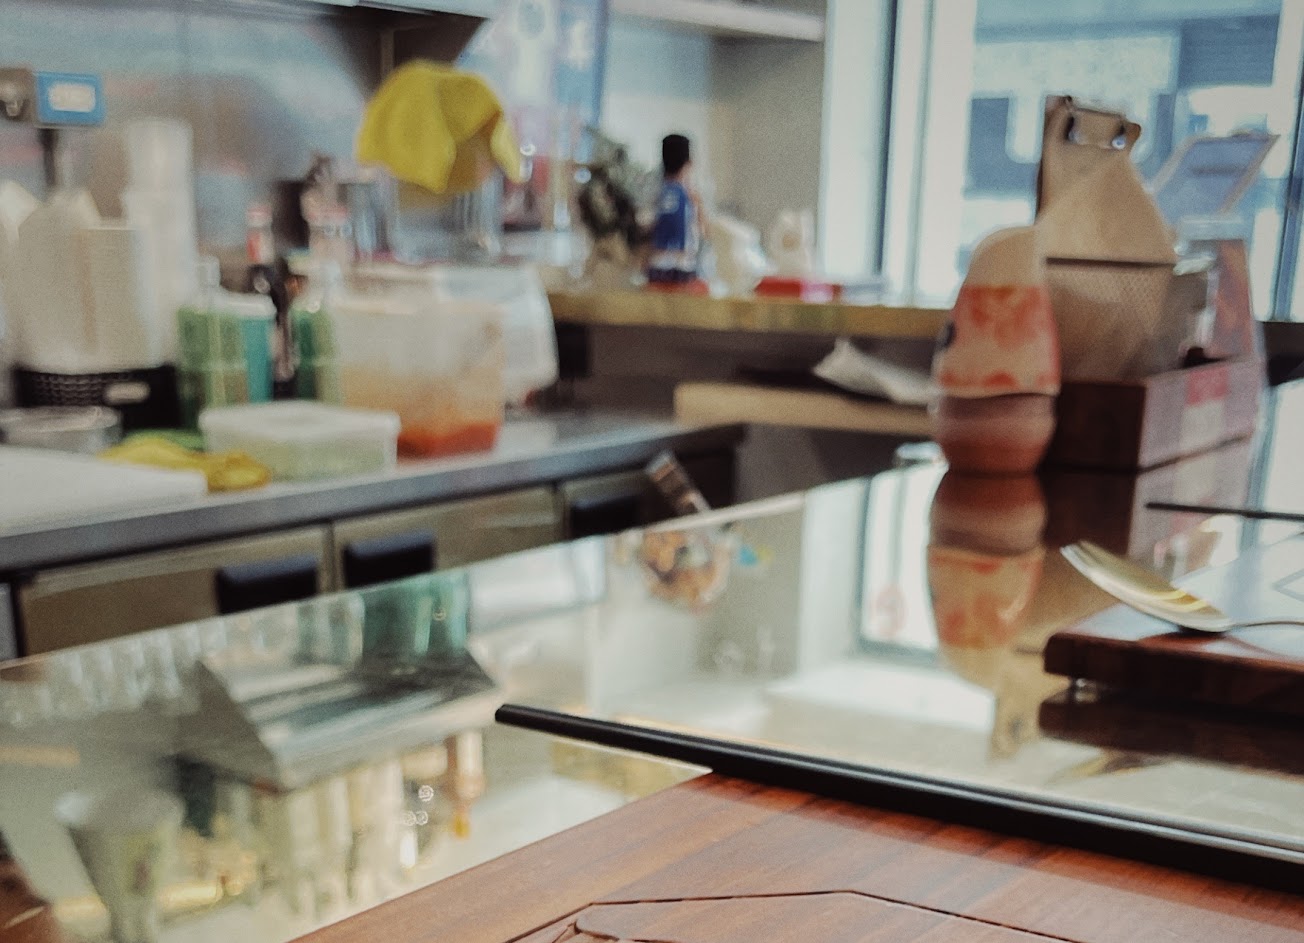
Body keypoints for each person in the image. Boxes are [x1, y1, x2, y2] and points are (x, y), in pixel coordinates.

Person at [647, 133, 705, 285]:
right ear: (688, 163)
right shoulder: (690, 196)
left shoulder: (657, 194)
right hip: (682, 267)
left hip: (656, 264)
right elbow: (703, 231)